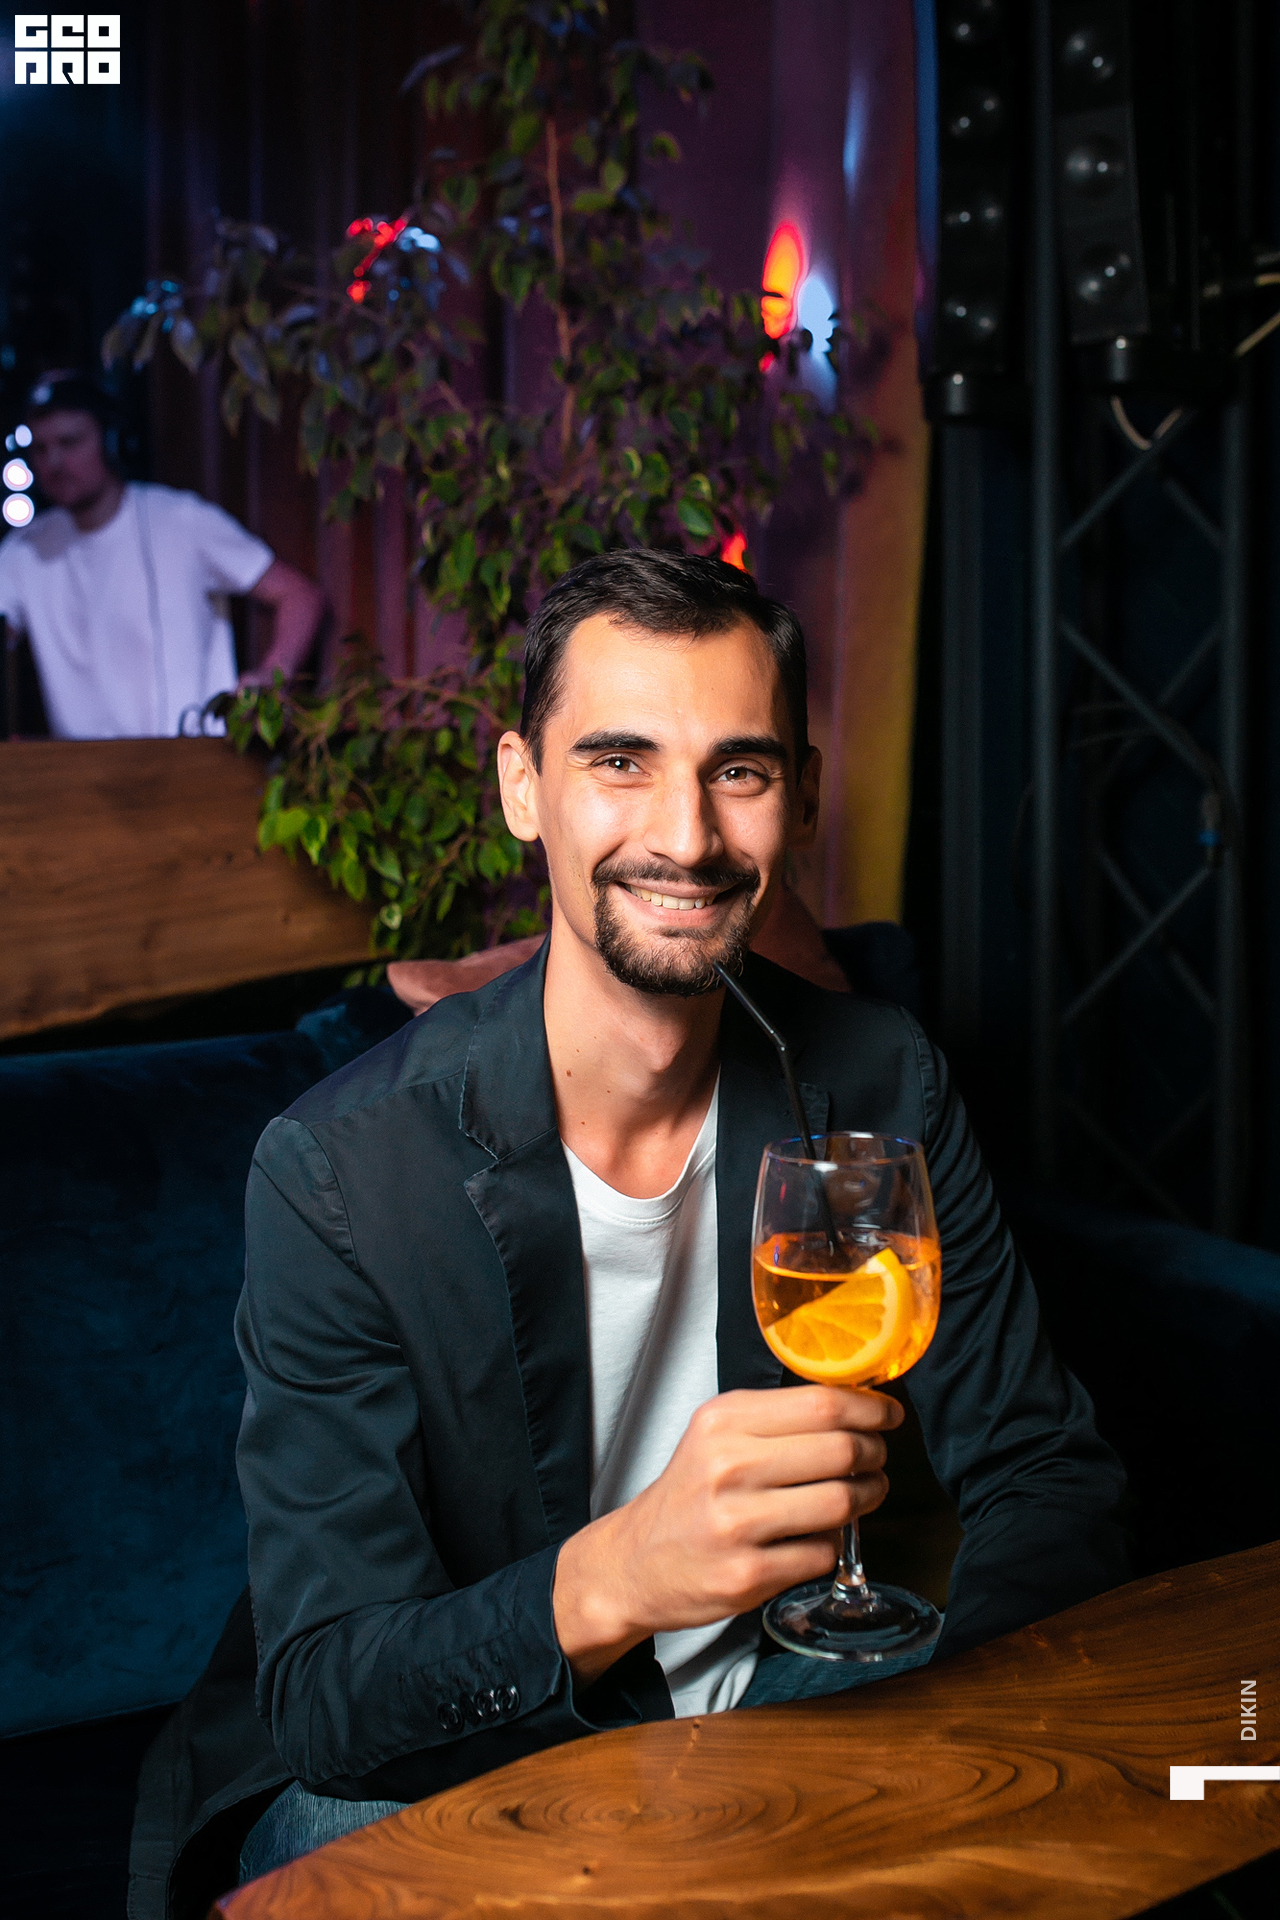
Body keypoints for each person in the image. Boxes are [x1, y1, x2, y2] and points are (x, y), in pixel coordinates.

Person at [130, 550, 1128, 1919]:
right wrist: (620, 1575)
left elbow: (1047, 1479)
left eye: (739, 770)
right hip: (451, 1757)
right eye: (620, 761)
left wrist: (944, 1740)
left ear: (803, 799)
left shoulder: (878, 1080)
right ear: (521, 788)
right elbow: (329, 1700)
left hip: (779, 1706)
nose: (688, 836)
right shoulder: (339, 1171)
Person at [0, 373, 325, 739]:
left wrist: (271, 675)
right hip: (85, 767)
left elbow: (299, 595)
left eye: (69, 442)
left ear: (112, 441)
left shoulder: (181, 520)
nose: (54, 463)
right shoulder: (23, 550)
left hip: (193, 754)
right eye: (40, 450)